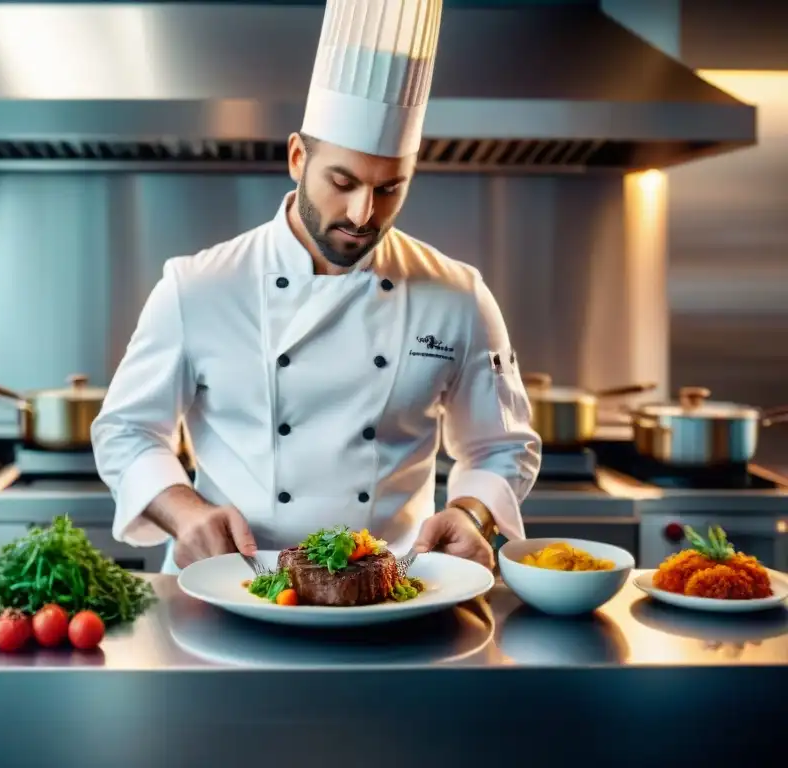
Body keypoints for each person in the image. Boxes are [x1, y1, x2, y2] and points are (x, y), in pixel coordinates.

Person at [92, 0, 542, 575]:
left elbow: (503, 445)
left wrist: (473, 511)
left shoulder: (457, 294)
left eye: (389, 189)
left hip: (392, 591)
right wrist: (185, 513)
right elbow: (126, 432)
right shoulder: (198, 286)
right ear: (298, 157)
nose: (362, 213)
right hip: (232, 582)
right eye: (343, 181)